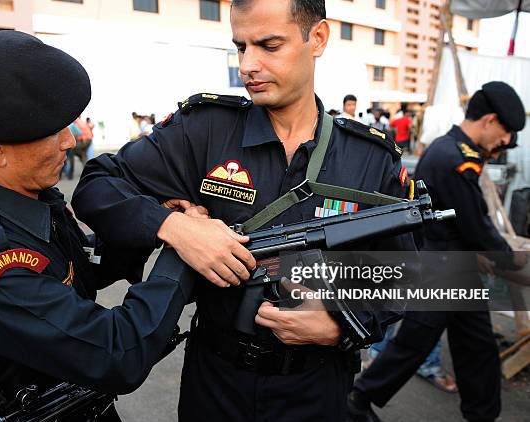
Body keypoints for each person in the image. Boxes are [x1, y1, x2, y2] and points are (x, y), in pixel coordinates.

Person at [73, 2, 416, 421]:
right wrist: (175, 227)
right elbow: (97, 186)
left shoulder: (369, 157)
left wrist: (341, 326)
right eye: (240, 47)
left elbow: (410, 272)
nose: (248, 65)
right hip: (216, 381)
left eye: (269, 45)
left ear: (318, 38)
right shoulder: (204, 130)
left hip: (318, 387)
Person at [0, 31, 198, 421]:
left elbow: (80, 271)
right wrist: (184, 244)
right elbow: (116, 353)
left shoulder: (32, 202)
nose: (69, 141)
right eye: (52, 131)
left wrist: (154, 222)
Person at [347, 81, 527, 422]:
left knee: (475, 346)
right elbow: (475, 224)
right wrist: (510, 257)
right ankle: (358, 399)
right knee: (415, 343)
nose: (506, 143)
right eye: (506, 133)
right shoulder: (455, 158)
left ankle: (481, 412)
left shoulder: (454, 150)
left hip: (453, 264)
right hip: (443, 264)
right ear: (490, 120)